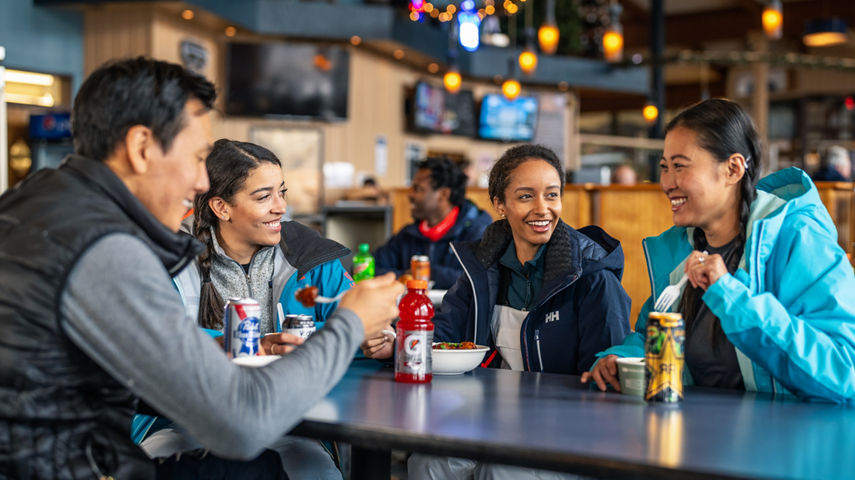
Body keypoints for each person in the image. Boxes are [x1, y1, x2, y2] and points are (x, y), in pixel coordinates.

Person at [0, 56, 404, 479]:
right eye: (196, 158)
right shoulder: (105, 247)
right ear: (141, 148)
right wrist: (351, 323)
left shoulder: (32, 207)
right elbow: (241, 424)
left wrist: (223, 348)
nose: (199, 182)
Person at [366, 144, 632, 479]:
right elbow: (444, 336)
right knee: (427, 462)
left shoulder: (593, 277)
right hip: (486, 418)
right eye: (525, 197)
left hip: (566, 431)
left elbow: (608, 375)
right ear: (500, 205)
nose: (543, 208)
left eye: (552, 195)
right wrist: (398, 342)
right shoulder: (482, 269)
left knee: (500, 470)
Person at [582, 98, 855, 403]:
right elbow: (650, 337)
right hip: (695, 439)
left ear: (733, 168)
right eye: (664, 168)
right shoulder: (679, 250)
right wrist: (619, 360)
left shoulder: (799, 240)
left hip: (788, 442)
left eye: (680, 167)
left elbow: (844, 372)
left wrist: (731, 296)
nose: (667, 183)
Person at [143, 139, 352, 478]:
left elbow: (348, 327)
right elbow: (154, 343)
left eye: (281, 192)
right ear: (221, 208)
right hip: (179, 422)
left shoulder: (311, 257)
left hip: (291, 424)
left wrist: (376, 337)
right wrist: (254, 345)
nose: (280, 207)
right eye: (264, 197)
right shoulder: (167, 258)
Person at [374, 156, 493, 289]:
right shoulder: (408, 234)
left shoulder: (479, 232)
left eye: (418, 189)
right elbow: (368, 268)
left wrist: (431, 274)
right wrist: (409, 276)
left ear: (443, 194)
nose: (410, 195)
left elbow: (484, 279)